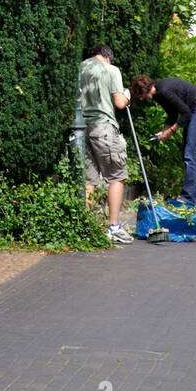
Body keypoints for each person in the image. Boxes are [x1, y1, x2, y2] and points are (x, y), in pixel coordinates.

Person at [78, 43, 133, 244]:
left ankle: (86, 226)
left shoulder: (80, 68)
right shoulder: (111, 70)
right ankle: (114, 227)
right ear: (107, 57)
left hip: (81, 129)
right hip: (104, 128)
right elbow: (119, 103)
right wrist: (127, 95)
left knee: (88, 180)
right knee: (117, 176)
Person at [129, 73, 196, 205]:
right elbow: (172, 114)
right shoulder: (158, 94)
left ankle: (189, 197)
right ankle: (192, 196)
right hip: (195, 110)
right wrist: (164, 130)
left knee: (190, 153)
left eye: (140, 96)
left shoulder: (164, 91)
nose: (141, 99)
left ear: (143, 91)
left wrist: (171, 131)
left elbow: (186, 113)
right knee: (187, 152)